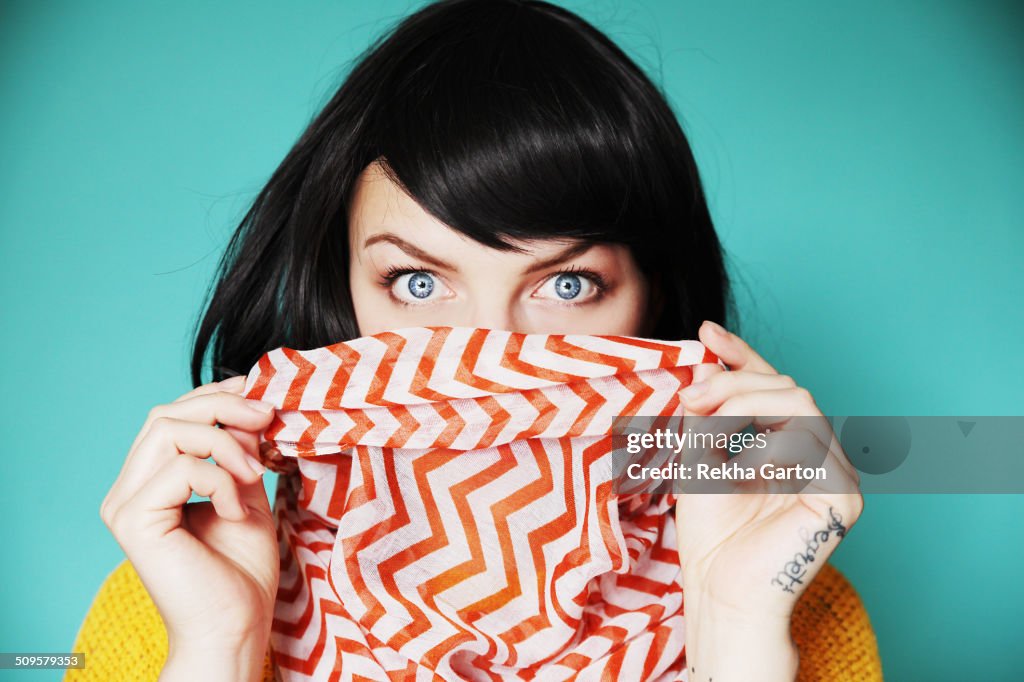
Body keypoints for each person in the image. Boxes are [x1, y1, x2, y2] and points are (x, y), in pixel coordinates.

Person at [98, 1, 863, 679]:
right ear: (345, 289)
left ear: (652, 297)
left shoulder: (791, 595)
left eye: (568, 286)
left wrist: (736, 633)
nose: (489, 358)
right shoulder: (177, 592)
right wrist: (219, 648)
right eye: (419, 284)